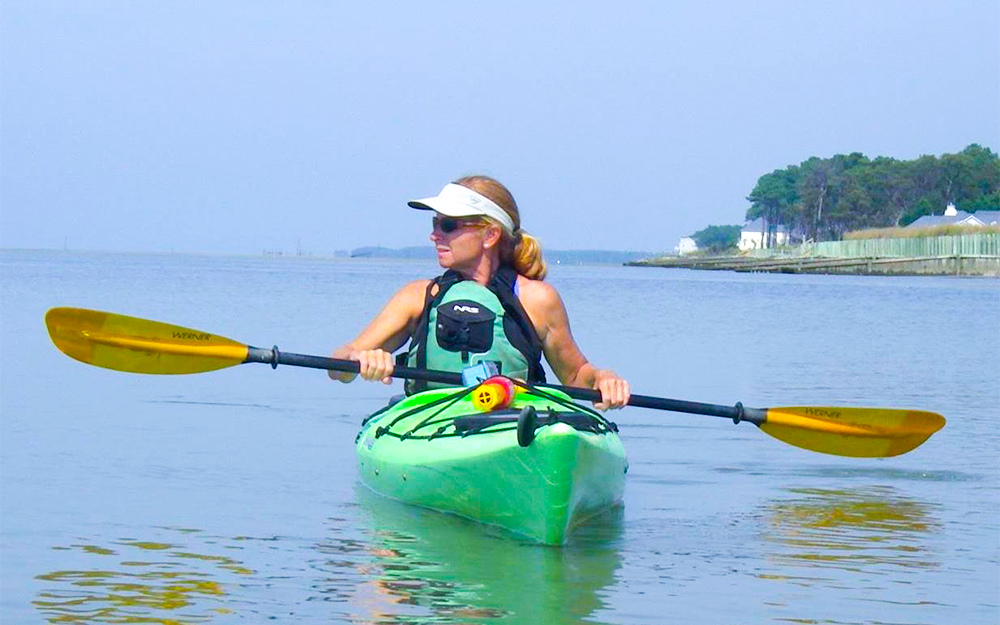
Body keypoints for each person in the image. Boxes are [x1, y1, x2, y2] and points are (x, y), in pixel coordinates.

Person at [329, 175, 630, 410]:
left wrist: (603, 378)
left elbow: (576, 377)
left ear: (490, 235)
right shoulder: (417, 297)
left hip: (511, 424)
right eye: (435, 223)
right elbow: (338, 365)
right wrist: (362, 360)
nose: (435, 234)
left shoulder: (537, 300)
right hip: (430, 427)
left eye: (448, 225)